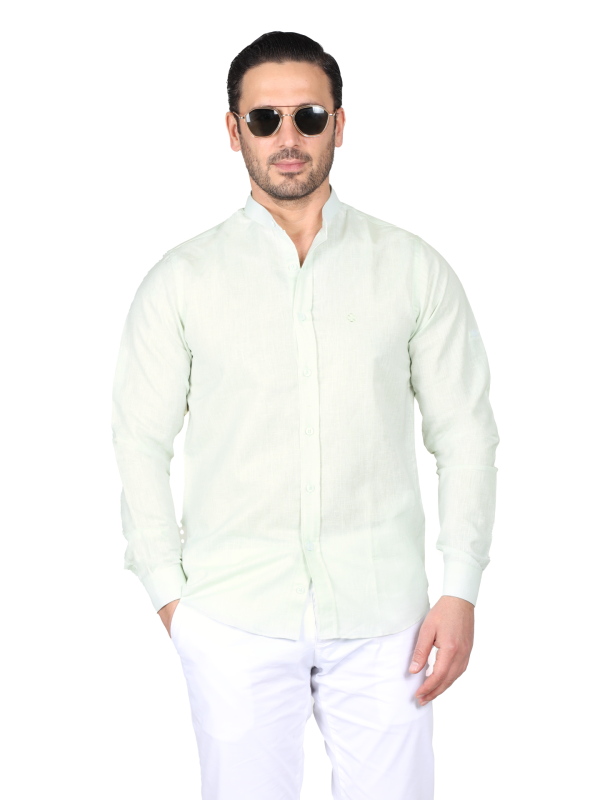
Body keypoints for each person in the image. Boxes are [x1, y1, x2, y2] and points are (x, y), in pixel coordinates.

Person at [111, 30, 500, 800]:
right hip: (232, 615)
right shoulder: (181, 281)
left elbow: (465, 434)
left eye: (308, 116)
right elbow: (140, 443)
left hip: (387, 618)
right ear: (234, 132)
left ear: (339, 124)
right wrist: (172, 601)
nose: (287, 138)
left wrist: (460, 588)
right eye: (265, 119)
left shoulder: (412, 268)